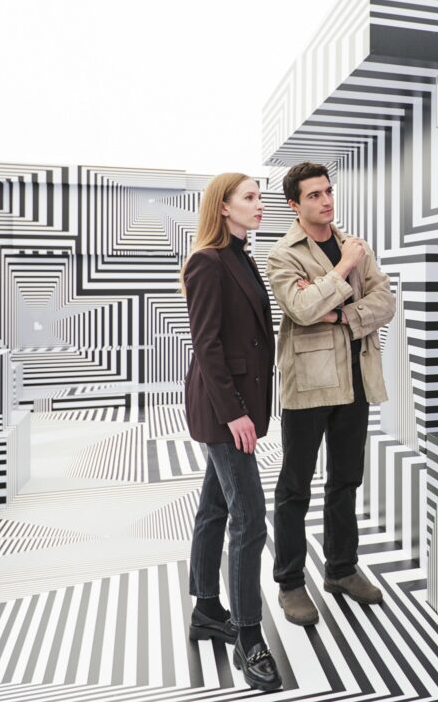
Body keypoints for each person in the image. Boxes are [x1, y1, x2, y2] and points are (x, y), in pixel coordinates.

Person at [266, 161, 395, 626]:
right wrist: (344, 269)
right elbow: (300, 309)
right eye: (314, 195)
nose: (326, 200)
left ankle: (341, 569)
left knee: (346, 481)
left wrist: (341, 315)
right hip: (309, 382)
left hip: (356, 379)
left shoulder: (356, 243)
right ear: (294, 204)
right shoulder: (284, 254)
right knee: (294, 487)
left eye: (327, 191)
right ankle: (290, 581)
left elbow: (386, 302)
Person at [181, 172, 281, 691]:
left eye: (259, 197)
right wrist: (236, 412)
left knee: (216, 507)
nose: (258, 204)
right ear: (223, 207)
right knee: (249, 517)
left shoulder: (241, 256)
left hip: (239, 404)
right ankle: (247, 636)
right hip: (225, 410)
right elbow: (208, 346)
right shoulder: (207, 262)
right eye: (249, 198)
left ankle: (206, 608)